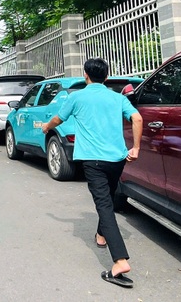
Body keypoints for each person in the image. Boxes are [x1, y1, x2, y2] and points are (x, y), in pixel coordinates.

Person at [41, 58, 142, 288]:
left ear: (86, 74)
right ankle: (101, 235)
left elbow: (59, 118)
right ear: (106, 77)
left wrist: (47, 126)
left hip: (93, 161)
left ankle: (120, 260)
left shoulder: (76, 97)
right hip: (118, 159)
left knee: (104, 205)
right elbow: (137, 118)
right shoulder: (118, 98)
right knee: (106, 196)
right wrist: (136, 147)